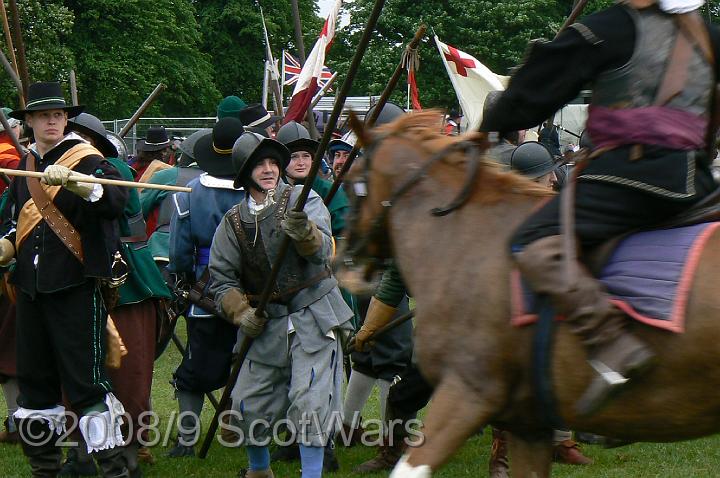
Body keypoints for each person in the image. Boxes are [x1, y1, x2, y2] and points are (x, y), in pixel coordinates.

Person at [481, 0, 720, 416]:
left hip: (629, 180)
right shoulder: (709, 34)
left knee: (531, 241)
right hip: (696, 182)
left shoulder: (611, 27)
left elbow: (533, 93)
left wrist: (497, 117)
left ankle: (611, 343)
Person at [2, 81, 129, 476]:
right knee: (35, 383)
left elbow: (116, 202)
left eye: (58, 115)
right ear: (30, 122)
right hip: (31, 291)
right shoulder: (23, 166)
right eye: (44, 115)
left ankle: (113, 470)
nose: (52, 121)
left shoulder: (88, 159)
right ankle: (46, 470)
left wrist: (77, 182)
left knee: (85, 384)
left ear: (65, 120)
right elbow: (13, 223)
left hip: (74, 286)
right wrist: (5, 247)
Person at [209, 131, 353, 478]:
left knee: (311, 401)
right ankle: (259, 470)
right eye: (260, 164)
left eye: (274, 161)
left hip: (314, 314)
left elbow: (321, 255)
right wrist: (240, 312)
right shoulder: (232, 222)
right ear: (245, 173)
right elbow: (221, 278)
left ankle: (311, 474)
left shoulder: (304, 200)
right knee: (247, 404)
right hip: (266, 321)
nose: (270, 169)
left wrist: (306, 233)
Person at [66, 112, 173, 475]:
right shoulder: (42, 170)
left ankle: (129, 452)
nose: (71, 144)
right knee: (76, 369)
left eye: (78, 137)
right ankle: (78, 454)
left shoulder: (114, 170)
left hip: (125, 282)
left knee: (129, 372)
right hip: (68, 278)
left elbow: (110, 202)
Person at [165, 117, 246, 457]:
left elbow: (179, 252)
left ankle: (186, 439)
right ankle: (243, 434)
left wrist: (181, 281)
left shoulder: (192, 194)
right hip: (252, 291)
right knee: (249, 363)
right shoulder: (258, 191)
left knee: (196, 368)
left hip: (207, 292)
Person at [140, 129, 207, 265]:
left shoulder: (167, 175)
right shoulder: (232, 181)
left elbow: (138, 210)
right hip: (212, 256)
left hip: (165, 249)